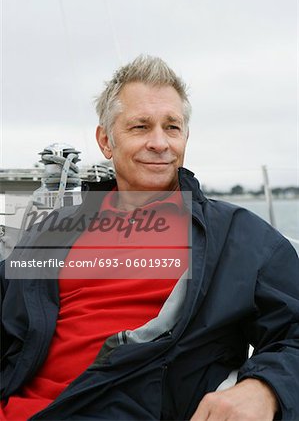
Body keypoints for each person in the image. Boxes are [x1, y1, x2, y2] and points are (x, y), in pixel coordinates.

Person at [1, 55, 299, 421]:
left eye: (172, 127)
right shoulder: (53, 230)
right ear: (106, 141)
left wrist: (265, 388)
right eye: (141, 127)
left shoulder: (238, 238)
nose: (160, 143)